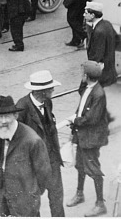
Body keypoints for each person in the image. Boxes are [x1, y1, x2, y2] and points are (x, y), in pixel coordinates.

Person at [0, 95, 51, 217]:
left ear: (16, 116)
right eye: (0, 116)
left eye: (7, 116)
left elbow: (44, 173)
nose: (3, 121)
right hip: (4, 196)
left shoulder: (32, 141)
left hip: (25, 201)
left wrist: (31, 194)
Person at [16, 70, 65, 217]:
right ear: (41, 91)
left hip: (52, 160)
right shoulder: (22, 107)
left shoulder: (47, 102)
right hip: (33, 164)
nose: (53, 90)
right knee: (33, 201)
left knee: (57, 197)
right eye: (50, 88)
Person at [66, 61, 110, 217]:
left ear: (87, 76)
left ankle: (100, 203)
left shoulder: (98, 94)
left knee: (93, 168)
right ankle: (80, 193)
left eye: (83, 73)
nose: (81, 76)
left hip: (91, 137)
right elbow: (81, 104)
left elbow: (92, 118)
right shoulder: (87, 88)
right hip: (82, 134)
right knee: (79, 164)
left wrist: (74, 121)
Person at [84, 1, 117, 87]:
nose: (84, 15)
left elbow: (96, 57)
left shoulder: (99, 32)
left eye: (86, 12)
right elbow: (117, 41)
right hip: (110, 72)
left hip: (101, 77)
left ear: (93, 15)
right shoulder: (107, 24)